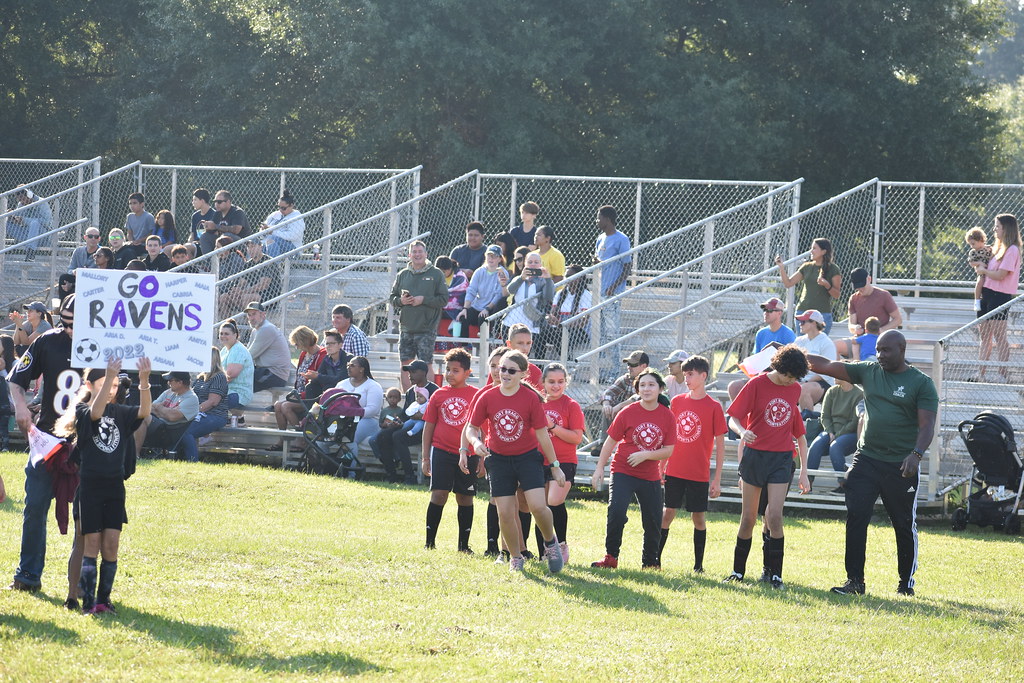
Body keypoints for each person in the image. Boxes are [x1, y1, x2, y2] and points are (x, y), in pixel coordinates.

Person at [807, 330, 938, 597]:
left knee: (903, 523)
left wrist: (916, 454)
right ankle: (855, 581)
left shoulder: (921, 383)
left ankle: (905, 584)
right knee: (856, 517)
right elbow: (828, 365)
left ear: (902, 350)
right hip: (866, 459)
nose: (880, 355)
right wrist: (792, 354)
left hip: (901, 463)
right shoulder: (869, 371)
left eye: (886, 350)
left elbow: (927, 427)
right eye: (877, 349)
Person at [59, 357, 151, 614]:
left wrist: (144, 381)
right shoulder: (82, 411)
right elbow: (96, 413)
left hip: (114, 488)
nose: (111, 388)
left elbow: (144, 412)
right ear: (89, 385)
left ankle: (103, 600)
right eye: (104, 383)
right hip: (90, 488)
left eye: (113, 385)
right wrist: (111, 374)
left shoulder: (120, 411)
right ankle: (85, 600)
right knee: (89, 544)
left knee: (111, 545)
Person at [461, 350, 565, 573]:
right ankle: (515, 557)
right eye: (501, 369)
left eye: (510, 370)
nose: (504, 374)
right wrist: (475, 442)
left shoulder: (530, 399)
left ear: (523, 374)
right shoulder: (487, 396)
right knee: (505, 513)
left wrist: (555, 467)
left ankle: (550, 543)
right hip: (498, 460)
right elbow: (471, 427)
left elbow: (542, 435)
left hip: (527, 459)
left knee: (538, 506)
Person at [6, 294, 77, 592]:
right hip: (48, 436)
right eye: (67, 321)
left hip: (88, 438)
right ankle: (28, 575)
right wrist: (21, 407)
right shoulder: (48, 340)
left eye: (77, 322)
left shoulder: (108, 344)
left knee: (90, 515)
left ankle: (86, 583)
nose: (71, 328)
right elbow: (15, 379)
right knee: (34, 506)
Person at [724, 345, 810, 589]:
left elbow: (799, 434)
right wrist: (743, 432)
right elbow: (733, 418)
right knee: (749, 518)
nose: (790, 382)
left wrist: (803, 471)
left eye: (795, 378)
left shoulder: (795, 388)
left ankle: (775, 575)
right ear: (778, 367)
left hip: (782, 458)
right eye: (787, 376)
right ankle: (737, 572)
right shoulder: (756, 384)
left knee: (774, 516)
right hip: (755, 457)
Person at [590, 369, 675, 569]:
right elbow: (610, 443)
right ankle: (611, 557)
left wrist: (645, 455)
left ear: (660, 388)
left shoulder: (667, 416)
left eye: (651, 384)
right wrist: (599, 468)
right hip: (623, 471)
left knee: (653, 519)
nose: (647, 389)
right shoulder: (627, 412)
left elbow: (669, 450)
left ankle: (650, 562)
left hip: (649, 475)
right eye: (642, 385)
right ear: (637, 390)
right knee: (616, 511)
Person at [661, 355, 726, 573]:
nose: (686, 378)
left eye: (690, 374)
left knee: (698, 518)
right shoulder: (677, 402)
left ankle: (698, 566)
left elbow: (720, 445)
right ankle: (654, 559)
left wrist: (716, 479)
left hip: (699, 473)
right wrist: (661, 466)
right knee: (667, 513)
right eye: (685, 374)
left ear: (703, 376)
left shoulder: (714, 406)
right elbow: (669, 436)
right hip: (674, 470)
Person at [421, 348, 480, 552]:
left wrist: (481, 458)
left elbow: (482, 427)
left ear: (467, 372)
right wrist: (425, 457)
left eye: (456, 370)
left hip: (469, 454)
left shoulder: (476, 395)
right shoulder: (439, 394)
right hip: (442, 452)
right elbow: (429, 426)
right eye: (448, 369)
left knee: (465, 497)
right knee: (439, 495)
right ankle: (429, 543)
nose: (450, 374)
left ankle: (463, 546)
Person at [533, 362, 584, 562]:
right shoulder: (537, 402)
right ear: (543, 382)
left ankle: (561, 544)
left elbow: (576, 438)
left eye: (561, 381)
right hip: (538, 460)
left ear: (566, 382)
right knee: (539, 507)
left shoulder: (571, 405)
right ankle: (543, 552)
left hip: (564, 461)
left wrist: (552, 425)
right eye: (551, 381)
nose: (556, 386)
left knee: (554, 501)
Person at [389, 240, 448, 388]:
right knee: (405, 364)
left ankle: (428, 398)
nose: (417, 255)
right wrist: (401, 300)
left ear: (426, 254)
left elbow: (444, 299)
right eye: (414, 252)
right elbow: (392, 298)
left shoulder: (436, 274)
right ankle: (408, 397)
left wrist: (423, 300)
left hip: (426, 328)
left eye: (420, 251)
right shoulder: (403, 275)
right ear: (409, 255)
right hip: (406, 327)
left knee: (426, 364)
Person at [370, 360, 438, 484]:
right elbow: (406, 415)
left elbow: (438, 416)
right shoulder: (410, 391)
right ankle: (391, 474)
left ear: (423, 373)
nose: (409, 375)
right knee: (381, 436)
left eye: (413, 372)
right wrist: (396, 421)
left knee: (398, 436)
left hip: (426, 429)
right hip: (410, 425)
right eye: (408, 372)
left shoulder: (435, 390)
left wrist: (422, 416)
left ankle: (409, 477)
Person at [974, 213, 1022, 382]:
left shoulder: (1012, 249)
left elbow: (1001, 275)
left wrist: (984, 271)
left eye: (997, 226)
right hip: (986, 293)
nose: (994, 229)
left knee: (1000, 337)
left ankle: (1003, 374)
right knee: (985, 337)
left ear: (1006, 228)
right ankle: (980, 373)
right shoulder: (996, 248)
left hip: (1000, 296)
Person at [270, 326, 327, 448]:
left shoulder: (322, 355)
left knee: (285, 406)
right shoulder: (303, 355)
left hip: (312, 396)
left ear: (304, 341)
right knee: (277, 405)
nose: (296, 347)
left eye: (297, 344)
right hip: (299, 394)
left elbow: (318, 382)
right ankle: (283, 439)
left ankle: (302, 439)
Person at [594, 205, 632, 381]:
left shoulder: (621, 239)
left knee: (611, 333)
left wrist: (614, 287)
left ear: (607, 219)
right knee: (599, 334)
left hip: (612, 294)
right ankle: (600, 371)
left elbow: (627, 266)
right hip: (600, 292)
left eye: (599, 217)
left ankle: (615, 371)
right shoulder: (600, 238)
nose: (597, 221)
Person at [807, 378, 864, 496]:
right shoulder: (831, 391)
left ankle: (844, 485)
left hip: (850, 433)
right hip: (830, 431)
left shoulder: (859, 394)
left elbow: (855, 421)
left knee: (835, 446)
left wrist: (837, 435)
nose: (833, 377)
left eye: (836, 374)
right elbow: (825, 416)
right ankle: (808, 484)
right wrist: (830, 432)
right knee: (815, 446)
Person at [775, 237, 841, 334]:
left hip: (822, 314)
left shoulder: (833, 269)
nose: (811, 251)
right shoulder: (806, 267)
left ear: (823, 251)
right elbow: (788, 283)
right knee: (801, 346)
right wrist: (781, 267)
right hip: (802, 312)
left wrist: (827, 285)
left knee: (818, 345)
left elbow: (836, 295)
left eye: (814, 248)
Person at [835, 268, 902, 359]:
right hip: (860, 340)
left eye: (862, 285)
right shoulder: (853, 298)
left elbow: (898, 319)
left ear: (869, 279)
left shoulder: (883, 295)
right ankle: (842, 371)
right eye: (857, 287)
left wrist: (881, 330)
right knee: (834, 346)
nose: (860, 289)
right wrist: (855, 328)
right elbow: (851, 325)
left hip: (878, 340)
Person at [179, 348, 231, 463]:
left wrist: (191, 412)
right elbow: (190, 395)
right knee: (177, 426)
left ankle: (192, 462)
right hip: (199, 413)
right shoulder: (201, 377)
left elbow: (213, 402)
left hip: (215, 415)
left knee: (187, 432)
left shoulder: (219, 377)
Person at [135, 371, 199, 453]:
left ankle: (135, 454)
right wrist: (165, 411)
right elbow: (149, 407)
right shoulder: (169, 392)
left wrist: (159, 408)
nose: (168, 383)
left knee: (142, 416)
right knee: (136, 411)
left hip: (169, 432)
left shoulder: (191, 398)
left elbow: (172, 417)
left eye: (170, 380)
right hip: (160, 426)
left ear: (180, 382)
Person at [793, 310, 837, 412]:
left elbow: (827, 372)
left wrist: (805, 382)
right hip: (801, 380)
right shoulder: (799, 340)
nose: (800, 324)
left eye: (803, 322)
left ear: (814, 323)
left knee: (803, 389)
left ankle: (808, 422)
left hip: (822, 382)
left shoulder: (826, 343)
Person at [543, 264, 591, 356]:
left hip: (580, 332)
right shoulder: (560, 293)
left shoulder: (586, 295)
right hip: (559, 329)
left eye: (570, 276)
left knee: (559, 335)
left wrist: (561, 324)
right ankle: (539, 366)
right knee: (541, 334)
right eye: (566, 276)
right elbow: (552, 314)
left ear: (579, 278)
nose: (567, 279)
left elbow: (582, 323)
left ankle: (567, 361)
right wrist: (550, 318)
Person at [458, 245, 510, 329]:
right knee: (464, 317)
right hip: (477, 306)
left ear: (500, 259)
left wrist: (487, 309)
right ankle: (464, 343)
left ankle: (483, 342)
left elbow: (499, 295)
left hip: (492, 308)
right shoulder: (479, 271)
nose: (491, 258)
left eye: (494, 256)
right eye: (489, 255)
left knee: (483, 318)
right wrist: (465, 308)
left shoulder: (502, 272)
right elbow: (471, 290)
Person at [503, 251, 554, 335]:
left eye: (536, 262)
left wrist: (548, 279)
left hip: (532, 324)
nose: (533, 264)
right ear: (525, 264)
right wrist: (521, 278)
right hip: (511, 322)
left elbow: (548, 298)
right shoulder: (518, 278)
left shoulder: (545, 281)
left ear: (540, 264)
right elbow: (510, 290)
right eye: (530, 262)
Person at [337, 356, 383, 450]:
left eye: (352, 365)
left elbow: (373, 410)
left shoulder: (373, 386)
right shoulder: (341, 384)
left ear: (362, 369)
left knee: (348, 439)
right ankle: (324, 464)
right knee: (321, 442)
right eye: (348, 365)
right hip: (343, 419)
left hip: (368, 420)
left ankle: (350, 465)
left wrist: (351, 412)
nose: (348, 367)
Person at [244, 302, 292, 393]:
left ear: (263, 314)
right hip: (266, 372)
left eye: (254, 314)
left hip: (275, 375)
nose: (251, 318)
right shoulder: (256, 330)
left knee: (238, 379)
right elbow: (247, 354)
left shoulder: (267, 329)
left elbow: (248, 356)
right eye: (249, 315)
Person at [601, 350, 649, 426]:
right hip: (630, 415)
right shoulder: (627, 379)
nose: (629, 367)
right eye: (628, 364)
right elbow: (608, 393)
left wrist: (620, 405)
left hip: (647, 417)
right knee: (610, 409)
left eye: (632, 365)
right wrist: (606, 405)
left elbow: (640, 398)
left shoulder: (652, 380)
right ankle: (606, 437)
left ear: (643, 366)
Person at [199, 190, 251, 254]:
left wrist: (215, 226)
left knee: (226, 235)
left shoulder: (237, 212)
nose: (216, 204)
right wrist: (208, 227)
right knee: (205, 237)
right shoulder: (218, 213)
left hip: (242, 245)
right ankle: (209, 262)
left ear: (228, 202)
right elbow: (213, 230)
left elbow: (236, 230)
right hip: (223, 244)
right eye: (215, 202)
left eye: (219, 202)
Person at [9, 185, 53, 259]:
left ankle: (30, 253)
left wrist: (24, 220)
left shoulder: (41, 202)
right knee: (6, 222)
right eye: (20, 200)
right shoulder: (21, 204)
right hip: (27, 235)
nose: (22, 202)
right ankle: (4, 249)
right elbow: (18, 219)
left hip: (43, 235)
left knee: (34, 223)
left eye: (23, 199)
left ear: (29, 194)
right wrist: (12, 217)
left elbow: (47, 222)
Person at [218, 321, 254, 410]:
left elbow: (230, 376)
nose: (223, 336)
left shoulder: (237, 350)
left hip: (238, 394)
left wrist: (212, 385)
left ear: (235, 335)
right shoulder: (225, 350)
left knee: (208, 399)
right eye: (221, 333)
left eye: (226, 334)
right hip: (226, 391)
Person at [261, 190, 305, 257]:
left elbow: (292, 236)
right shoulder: (274, 215)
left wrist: (272, 231)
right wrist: (264, 230)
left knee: (272, 238)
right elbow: (263, 229)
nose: (281, 210)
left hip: (293, 249)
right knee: (255, 244)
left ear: (291, 205)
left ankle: (274, 266)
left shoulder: (297, 217)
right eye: (279, 207)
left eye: (283, 208)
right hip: (271, 244)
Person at [436, 256, 469, 330]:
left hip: (458, 307)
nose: (441, 274)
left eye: (443, 271)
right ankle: (435, 335)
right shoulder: (436, 276)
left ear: (450, 269)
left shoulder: (460, 277)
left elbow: (459, 291)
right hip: (442, 306)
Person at [966, 227, 994, 313]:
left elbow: (993, 256)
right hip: (982, 272)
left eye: (973, 243)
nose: (972, 246)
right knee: (980, 282)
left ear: (980, 240)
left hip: (991, 271)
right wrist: (979, 263)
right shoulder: (973, 252)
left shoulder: (989, 248)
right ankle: (977, 301)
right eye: (970, 244)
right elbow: (971, 262)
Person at [124, 192, 157, 256]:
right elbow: (129, 233)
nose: (132, 206)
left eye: (134, 203)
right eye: (130, 203)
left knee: (129, 252)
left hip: (144, 245)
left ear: (142, 204)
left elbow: (152, 234)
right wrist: (132, 241)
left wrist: (139, 241)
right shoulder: (129, 216)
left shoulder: (149, 217)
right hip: (133, 244)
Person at [0, 334, 15, 451]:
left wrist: (4, 370)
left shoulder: (15, 364)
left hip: (8, 402)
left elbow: (14, 389)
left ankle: (5, 445)